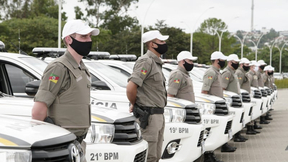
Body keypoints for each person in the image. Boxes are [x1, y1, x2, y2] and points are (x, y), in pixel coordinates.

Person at [32, 19, 100, 161]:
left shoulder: (81, 67)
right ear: (69, 39)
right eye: (83, 37)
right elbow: (39, 109)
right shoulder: (59, 67)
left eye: (89, 36)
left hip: (78, 144)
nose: (88, 40)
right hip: (62, 146)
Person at [126, 30, 167, 162]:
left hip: (158, 115)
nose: (164, 44)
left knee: (156, 156)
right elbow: (131, 87)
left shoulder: (156, 62)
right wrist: (135, 103)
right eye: (161, 41)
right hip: (149, 116)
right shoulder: (146, 61)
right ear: (152, 44)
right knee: (149, 156)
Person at [201, 51, 227, 162]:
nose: (224, 62)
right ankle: (207, 155)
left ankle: (210, 153)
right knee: (209, 131)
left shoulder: (217, 72)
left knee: (215, 131)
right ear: (217, 60)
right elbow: (204, 91)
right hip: (212, 107)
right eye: (222, 60)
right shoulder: (211, 72)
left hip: (217, 106)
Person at [221, 54, 248, 143]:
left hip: (235, 100)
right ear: (230, 62)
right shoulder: (227, 73)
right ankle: (226, 142)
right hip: (230, 102)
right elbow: (223, 88)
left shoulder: (232, 72)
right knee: (229, 122)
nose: (236, 64)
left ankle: (237, 135)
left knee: (236, 120)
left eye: (237, 62)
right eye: (235, 62)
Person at [235, 58, 257, 135]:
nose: (248, 66)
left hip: (246, 97)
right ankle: (238, 133)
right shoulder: (240, 73)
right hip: (242, 97)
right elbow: (239, 86)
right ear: (242, 64)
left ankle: (248, 128)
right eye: (247, 64)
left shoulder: (244, 72)